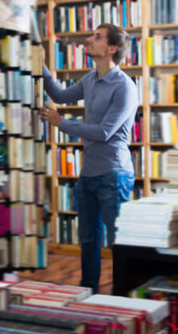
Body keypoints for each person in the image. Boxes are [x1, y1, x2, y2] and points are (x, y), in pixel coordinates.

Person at [38, 23, 138, 293]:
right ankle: (89, 292)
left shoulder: (125, 87)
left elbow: (105, 132)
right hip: (88, 175)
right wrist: (43, 65)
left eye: (97, 37)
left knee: (118, 241)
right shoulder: (90, 79)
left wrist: (61, 123)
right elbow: (59, 94)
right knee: (88, 240)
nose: (89, 39)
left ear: (112, 48)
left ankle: (123, 294)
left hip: (114, 174)